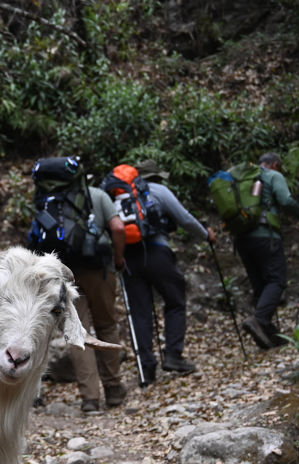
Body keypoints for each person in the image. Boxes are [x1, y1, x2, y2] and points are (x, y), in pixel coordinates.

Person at [118, 159, 217, 384]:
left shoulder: (120, 195)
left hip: (128, 258)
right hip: (156, 252)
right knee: (174, 300)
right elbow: (184, 219)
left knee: (140, 312)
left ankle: (147, 369)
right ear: (154, 177)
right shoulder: (159, 190)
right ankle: (173, 355)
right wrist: (205, 235)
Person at [232, 152, 299, 349]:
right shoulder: (273, 175)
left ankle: (268, 333)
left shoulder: (240, 177)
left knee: (260, 285)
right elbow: (285, 200)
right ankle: (259, 320)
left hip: (241, 238)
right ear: (275, 164)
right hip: (265, 236)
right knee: (276, 280)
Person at [64, 184, 129, 412]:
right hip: (100, 268)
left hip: (67, 273)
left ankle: (90, 398)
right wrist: (118, 258)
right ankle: (113, 389)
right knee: (106, 325)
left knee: (77, 331)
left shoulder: (54, 197)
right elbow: (118, 228)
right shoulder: (99, 195)